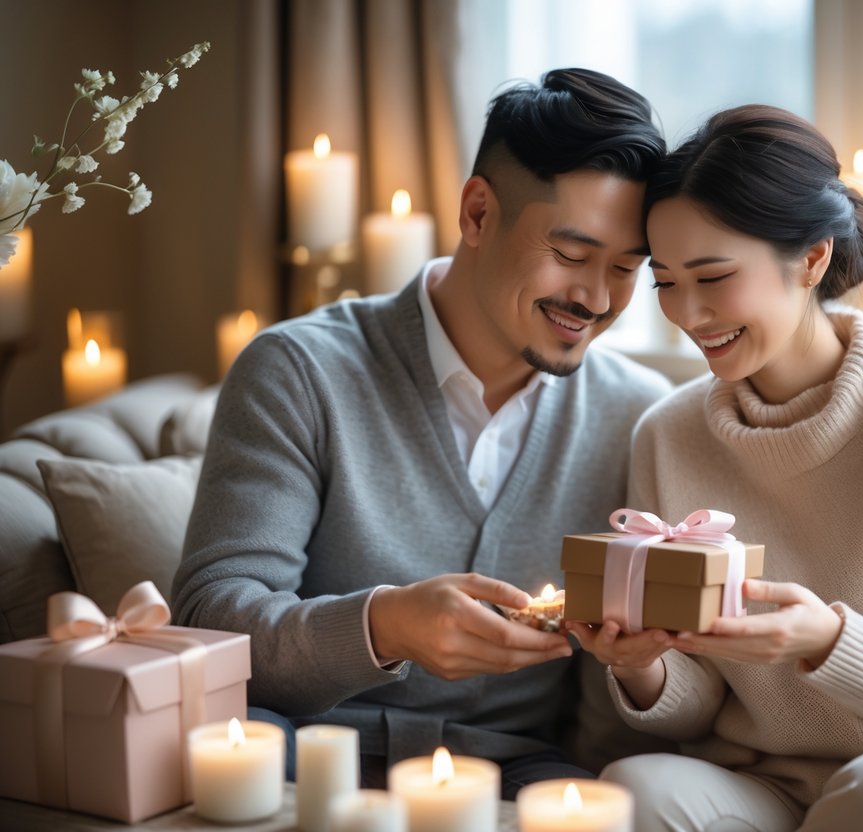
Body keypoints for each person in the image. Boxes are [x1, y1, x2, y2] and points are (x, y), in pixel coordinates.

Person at [171, 67, 671, 797]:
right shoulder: (299, 370)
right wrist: (384, 626)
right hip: (307, 754)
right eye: (570, 256)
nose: (595, 299)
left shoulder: (636, 412)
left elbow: (646, 692)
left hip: (521, 771)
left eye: (626, 270)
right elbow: (214, 619)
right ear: (476, 213)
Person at [567, 105, 863, 831]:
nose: (688, 312)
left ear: (810, 259)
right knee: (631, 788)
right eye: (666, 282)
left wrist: (824, 641)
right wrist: (640, 665)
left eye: (713, 276)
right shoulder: (668, 434)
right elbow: (697, 693)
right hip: (760, 782)